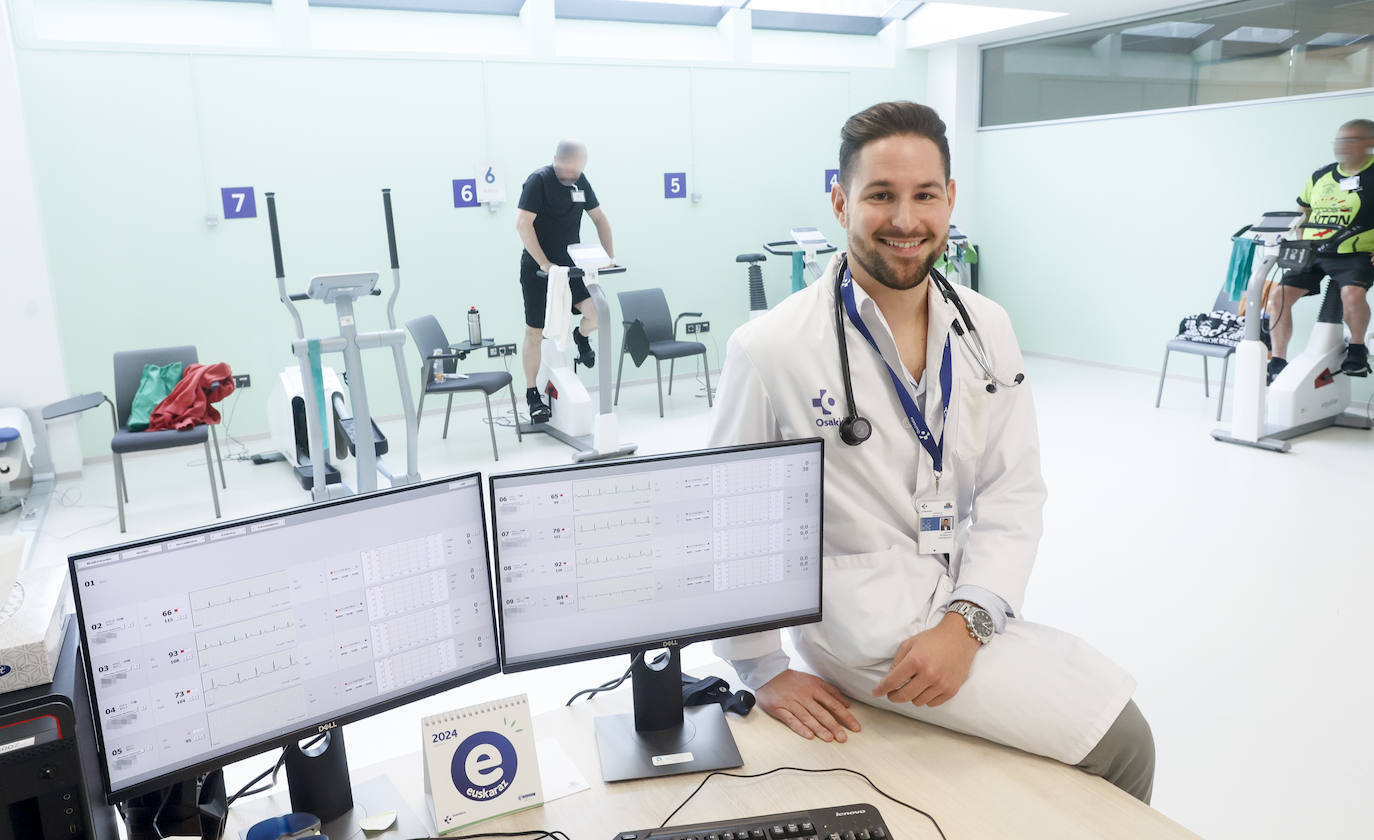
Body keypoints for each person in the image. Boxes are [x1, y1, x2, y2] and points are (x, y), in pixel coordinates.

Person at [708, 101, 1155, 802]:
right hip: (866, 634)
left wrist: (968, 619)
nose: (906, 221)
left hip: (958, 601)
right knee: (1125, 740)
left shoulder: (988, 326)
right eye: (880, 195)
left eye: (924, 195)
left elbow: (1015, 490)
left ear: (951, 199)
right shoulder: (771, 349)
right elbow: (737, 521)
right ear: (840, 201)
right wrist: (760, 668)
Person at [515, 139, 616, 422]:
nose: (573, 176)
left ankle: (580, 336)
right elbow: (522, 224)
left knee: (597, 313)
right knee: (535, 333)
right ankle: (532, 394)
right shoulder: (538, 181)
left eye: (577, 171)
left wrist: (609, 256)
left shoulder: (581, 182)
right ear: (556, 159)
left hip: (573, 266)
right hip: (538, 270)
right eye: (568, 170)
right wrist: (544, 263)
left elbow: (599, 218)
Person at [1266, 118, 1374, 382]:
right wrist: (1301, 235)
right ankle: (1278, 360)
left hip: (1355, 253)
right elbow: (1303, 208)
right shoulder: (1321, 175)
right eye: (1339, 140)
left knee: (1351, 294)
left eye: (1350, 139)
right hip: (1313, 251)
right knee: (1278, 297)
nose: (1342, 145)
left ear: (1369, 143)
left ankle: (1357, 350)